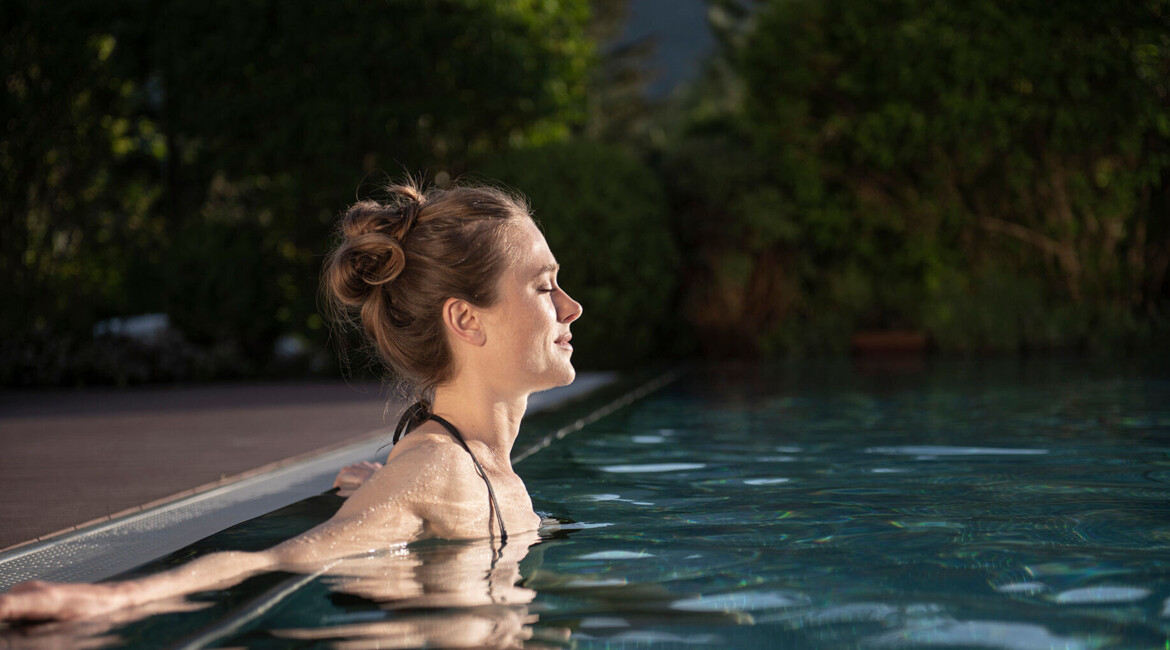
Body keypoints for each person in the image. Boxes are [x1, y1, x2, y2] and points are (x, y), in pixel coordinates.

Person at [0, 181, 582, 623]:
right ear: (464, 319)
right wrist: (118, 596)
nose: (569, 306)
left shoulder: (464, 468)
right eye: (542, 285)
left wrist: (385, 492)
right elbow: (278, 560)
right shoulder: (440, 470)